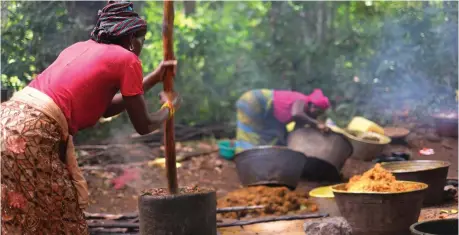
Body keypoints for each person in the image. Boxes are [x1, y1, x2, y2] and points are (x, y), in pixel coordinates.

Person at [0, 1, 180, 234]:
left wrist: (155, 78)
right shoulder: (128, 59)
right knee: (62, 218)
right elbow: (144, 125)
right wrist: (170, 107)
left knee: (21, 213)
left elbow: (104, 108)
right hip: (33, 132)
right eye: (141, 39)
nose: (141, 46)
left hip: (8, 120)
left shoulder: (80, 47)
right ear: (130, 38)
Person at [235, 89, 330, 153]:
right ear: (310, 104)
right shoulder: (301, 100)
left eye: (319, 112)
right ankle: (243, 157)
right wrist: (316, 124)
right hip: (254, 100)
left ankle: (256, 158)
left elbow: (295, 132)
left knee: (275, 137)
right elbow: (297, 113)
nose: (316, 113)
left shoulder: (303, 116)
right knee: (249, 132)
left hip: (268, 112)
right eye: (316, 110)